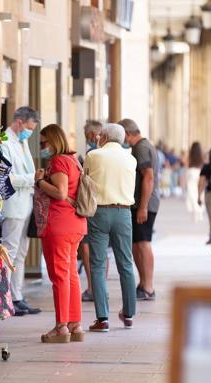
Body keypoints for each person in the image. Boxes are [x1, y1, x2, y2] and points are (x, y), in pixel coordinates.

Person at [34, 124, 87, 343]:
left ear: (54, 141)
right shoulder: (73, 160)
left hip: (59, 224)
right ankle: (75, 324)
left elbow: (60, 192)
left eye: (43, 142)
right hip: (75, 223)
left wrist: (39, 181)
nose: (41, 147)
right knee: (71, 274)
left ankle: (61, 326)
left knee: (59, 276)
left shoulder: (58, 161)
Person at [84, 123, 137, 331]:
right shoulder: (131, 159)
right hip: (124, 212)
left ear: (103, 137)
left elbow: (85, 180)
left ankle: (102, 318)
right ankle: (129, 313)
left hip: (99, 212)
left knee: (97, 264)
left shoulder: (94, 155)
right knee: (125, 263)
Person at [0, 106, 42, 316]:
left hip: (26, 204)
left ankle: (17, 296)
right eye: (29, 128)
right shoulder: (4, 142)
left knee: (21, 253)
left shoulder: (22, 141)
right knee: (9, 252)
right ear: (19, 123)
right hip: (13, 205)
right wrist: (31, 179)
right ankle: (5, 298)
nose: (30, 132)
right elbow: (5, 178)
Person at [119, 118, 160, 301]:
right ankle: (143, 284)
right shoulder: (142, 146)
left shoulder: (141, 148)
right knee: (137, 243)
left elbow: (148, 177)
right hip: (140, 203)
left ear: (127, 133)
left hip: (145, 203)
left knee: (143, 243)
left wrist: (143, 206)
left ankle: (148, 286)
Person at [80, 120, 102, 302]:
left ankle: (92, 287)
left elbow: (85, 179)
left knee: (87, 246)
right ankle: (99, 287)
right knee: (102, 249)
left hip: (91, 205)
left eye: (88, 136)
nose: (88, 140)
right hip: (107, 204)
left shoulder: (92, 154)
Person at [186, 142, 204, 222]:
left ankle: (195, 209)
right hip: (199, 173)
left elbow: (187, 166)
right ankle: (200, 210)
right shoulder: (202, 156)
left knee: (192, 193)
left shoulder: (190, 155)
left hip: (191, 173)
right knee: (199, 192)